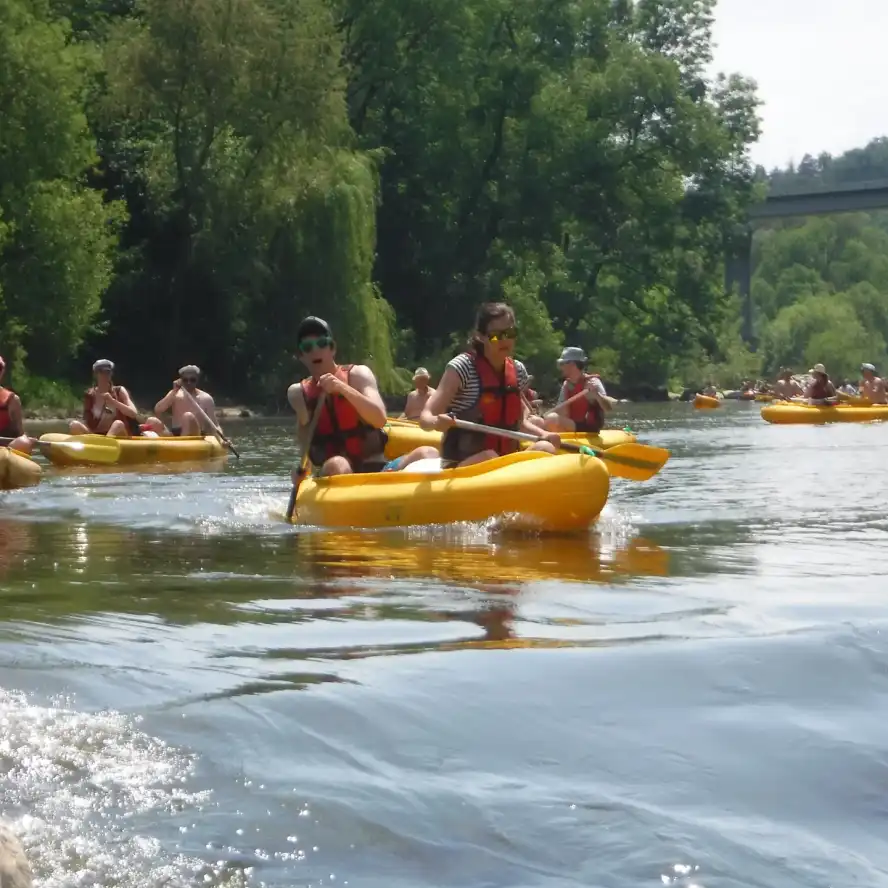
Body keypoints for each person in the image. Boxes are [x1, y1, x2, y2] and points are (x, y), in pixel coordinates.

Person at [288, 316, 436, 477]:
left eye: (322, 344)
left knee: (428, 453)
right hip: (334, 473)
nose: (316, 351)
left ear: (332, 349)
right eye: (308, 347)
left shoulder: (358, 375)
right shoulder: (298, 394)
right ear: (301, 356)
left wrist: (342, 388)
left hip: (378, 469)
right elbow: (305, 439)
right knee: (338, 464)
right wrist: (302, 472)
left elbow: (379, 419)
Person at [419, 302, 560, 467]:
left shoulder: (518, 370)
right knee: (489, 457)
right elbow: (425, 417)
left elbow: (520, 423)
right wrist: (436, 422)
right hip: (463, 465)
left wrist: (544, 434)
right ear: (480, 336)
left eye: (510, 333)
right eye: (496, 335)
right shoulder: (461, 367)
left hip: (504, 462)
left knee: (545, 448)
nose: (505, 340)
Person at [543, 347, 614, 433]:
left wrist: (596, 395)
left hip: (589, 428)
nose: (561, 367)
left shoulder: (593, 382)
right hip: (572, 425)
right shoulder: (566, 385)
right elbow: (563, 412)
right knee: (538, 421)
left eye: (562, 363)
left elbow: (608, 408)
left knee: (552, 419)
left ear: (572, 364)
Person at [69, 359, 141, 437]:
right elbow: (87, 420)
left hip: (119, 433)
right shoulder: (90, 395)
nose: (105, 375)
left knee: (118, 424)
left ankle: (105, 444)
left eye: (108, 372)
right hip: (97, 434)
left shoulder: (119, 391)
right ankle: (96, 444)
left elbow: (133, 414)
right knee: (74, 425)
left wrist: (113, 401)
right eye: (101, 372)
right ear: (96, 374)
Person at [145, 365, 221, 436]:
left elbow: (215, 425)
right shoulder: (175, 394)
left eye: (192, 380)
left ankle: (184, 446)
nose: (188, 383)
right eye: (185, 380)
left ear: (197, 380)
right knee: (152, 421)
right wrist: (174, 390)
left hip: (196, 434)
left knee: (188, 416)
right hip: (175, 432)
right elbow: (158, 410)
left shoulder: (206, 398)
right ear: (180, 380)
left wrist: (221, 440)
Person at [0, 356, 33, 454]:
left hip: (5, 451)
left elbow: (20, 433)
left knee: (24, 442)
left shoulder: (12, 400)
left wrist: (27, 441)